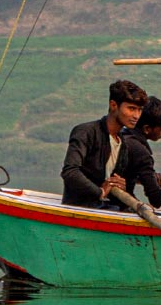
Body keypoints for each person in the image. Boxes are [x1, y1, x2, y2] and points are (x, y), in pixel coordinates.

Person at [62, 79, 154, 208]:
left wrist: (121, 186)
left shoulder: (122, 143)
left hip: (107, 206)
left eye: (139, 110)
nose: (136, 116)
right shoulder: (86, 132)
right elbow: (70, 172)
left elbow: (115, 184)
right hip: (81, 207)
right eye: (132, 109)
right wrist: (100, 191)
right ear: (113, 105)